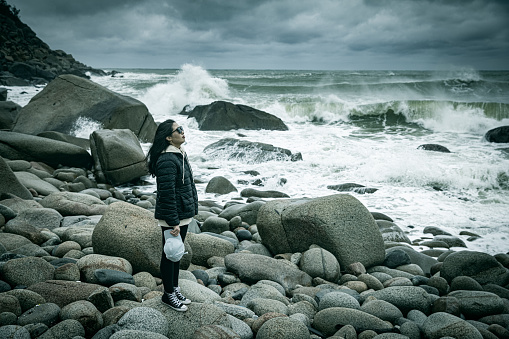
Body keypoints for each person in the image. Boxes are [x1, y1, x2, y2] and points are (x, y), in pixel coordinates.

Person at [146, 119, 198, 311]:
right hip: (172, 216)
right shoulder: (167, 159)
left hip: (181, 213)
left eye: (183, 129)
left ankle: (174, 289)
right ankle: (168, 295)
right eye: (179, 130)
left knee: (176, 254)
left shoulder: (179, 154)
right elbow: (166, 193)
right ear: (169, 137)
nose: (183, 132)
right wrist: (173, 221)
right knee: (169, 255)